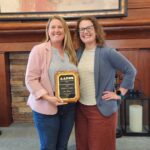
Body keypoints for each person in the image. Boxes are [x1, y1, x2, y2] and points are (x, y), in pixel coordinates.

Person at [75, 16, 137, 150]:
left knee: (101, 147)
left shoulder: (108, 52)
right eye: (81, 29)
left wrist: (119, 93)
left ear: (96, 31)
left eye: (88, 28)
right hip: (81, 109)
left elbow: (130, 70)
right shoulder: (79, 53)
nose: (85, 32)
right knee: (82, 146)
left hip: (101, 109)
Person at [25, 16, 77, 150]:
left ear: (65, 31)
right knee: (48, 146)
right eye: (53, 27)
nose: (56, 30)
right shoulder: (39, 50)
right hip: (46, 105)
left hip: (69, 106)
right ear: (47, 31)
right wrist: (48, 98)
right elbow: (30, 79)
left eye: (60, 27)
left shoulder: (70, 52)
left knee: (62, 146)